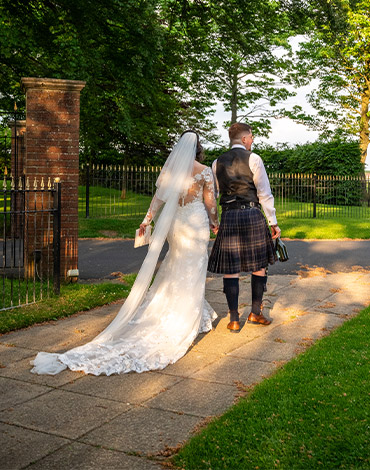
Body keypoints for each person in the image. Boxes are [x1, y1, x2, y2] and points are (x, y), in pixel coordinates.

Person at [31, 131, 219, 375]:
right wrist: (215, 222)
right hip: (195, 224)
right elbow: (210, 203)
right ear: (198, 149)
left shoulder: (171, 171)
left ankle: (191, 311)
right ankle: (184, 318)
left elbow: (158, 199)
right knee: (192, 268)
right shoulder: (204, 171)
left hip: (176, 225)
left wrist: (146, 220)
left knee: (175, 265)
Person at [208, 122, 281, 332]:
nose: (253, 141)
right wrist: (273, 222)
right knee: (258, 265)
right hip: (252, 214)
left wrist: (214, 222)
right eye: (251, 137)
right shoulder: (254, 159)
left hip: (229, 216)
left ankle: (233, 319)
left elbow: (213, 196)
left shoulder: (217, 163)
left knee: (231, 269)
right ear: (244, 139)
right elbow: (264, 194)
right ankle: (255, 313)